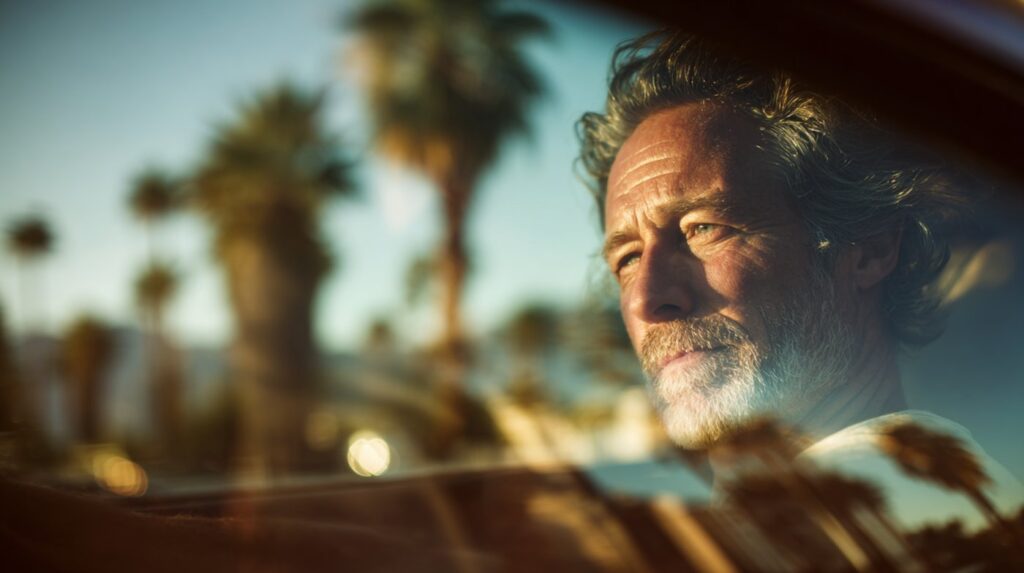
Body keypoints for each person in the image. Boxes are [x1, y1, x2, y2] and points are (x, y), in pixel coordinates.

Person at [577, 31, 1023, 530]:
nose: (646, 299)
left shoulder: (884, 516)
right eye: (628, 258)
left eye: (704, 229)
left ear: (871, 249)